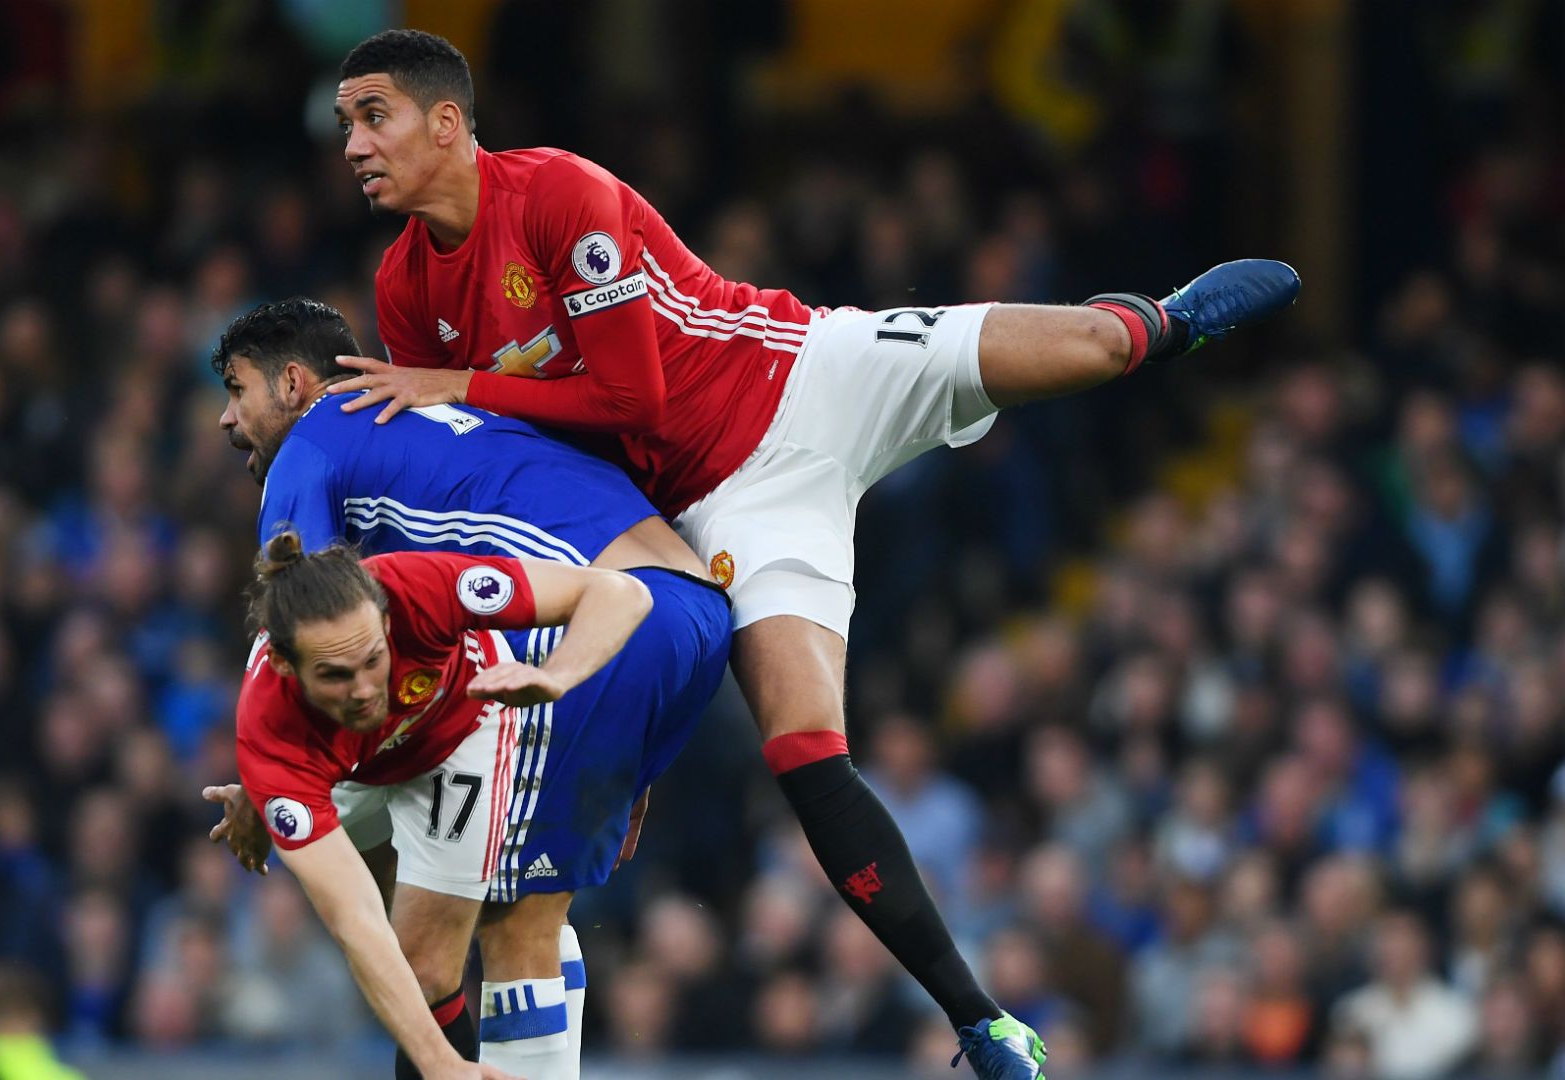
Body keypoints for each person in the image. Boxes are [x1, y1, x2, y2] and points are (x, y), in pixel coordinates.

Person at [325, 28, 1303, 1078]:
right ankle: (983, 1023)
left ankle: (1174, 321)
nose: (353, 145)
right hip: (726, 512)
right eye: (345, 124)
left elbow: (631, 396)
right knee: (804, 754)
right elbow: (504, 477)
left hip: (807, 372)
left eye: (371, 116)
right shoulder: (406, 292)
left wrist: (461, 386)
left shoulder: (561, 195)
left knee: (1106, 346)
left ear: (447, 123)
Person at [205, 296, 732, 1078]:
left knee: (509, 929)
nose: (226, 418)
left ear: (290, 382)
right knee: (516, 911)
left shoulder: (310, 448)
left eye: (236, 389)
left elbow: (306, 613)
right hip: (683, 611)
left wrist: (261, 773)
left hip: (600, 612)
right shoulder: (424, 419)